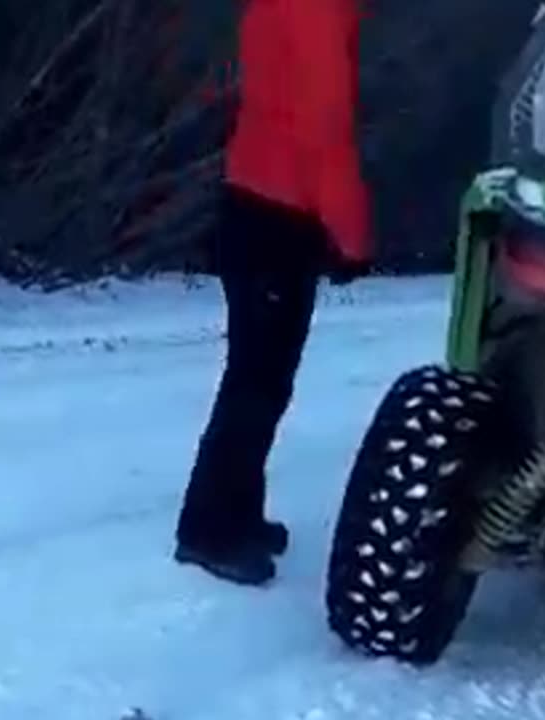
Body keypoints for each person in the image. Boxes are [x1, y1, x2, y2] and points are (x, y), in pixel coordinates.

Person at [174, 0, 372, 586]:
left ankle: (237, 513)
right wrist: (352, 237)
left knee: (262, 379)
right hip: (277, 214)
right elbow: (324, 128)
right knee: (256, 382)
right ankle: (207, 530)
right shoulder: (318, 11)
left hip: (259, 203)